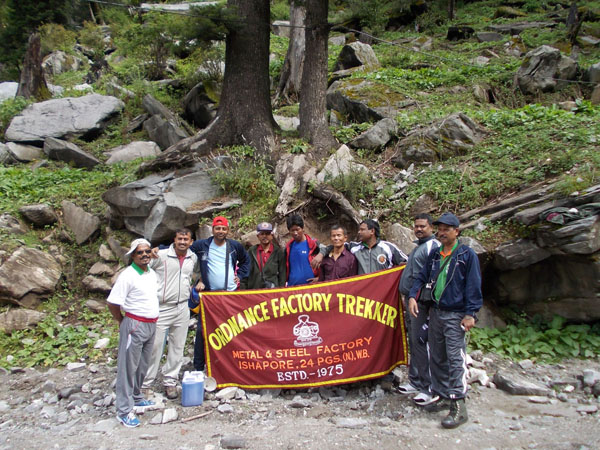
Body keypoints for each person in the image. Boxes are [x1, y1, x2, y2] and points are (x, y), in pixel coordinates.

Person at [408, 212, 482, 429]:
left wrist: (471, 313)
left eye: (446, 229)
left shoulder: (466, 255)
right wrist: (413, 296)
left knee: (455, 358)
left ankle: (458, 405)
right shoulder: (435, 254)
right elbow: (421, 277)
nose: (441, 233)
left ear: (456, 231)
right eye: (439, 229)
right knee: (437, 356)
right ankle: (441, 395)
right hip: (436, 312)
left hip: (455, 314)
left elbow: (473, 285)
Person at [107, 238, 158, 428]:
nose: (144, 255)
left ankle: (136, 396)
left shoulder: (150, 272)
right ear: (133, 255)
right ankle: (123, 410)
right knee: (128, 367)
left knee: (142, 364)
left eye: (147, 251)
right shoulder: (128, 275)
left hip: (151, 324)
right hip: (135, 323)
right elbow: (113, 302)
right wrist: (122, 321)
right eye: (140, 252)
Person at [141, 228, 198, 400]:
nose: (182, 242)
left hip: (183, 307)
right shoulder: (161, 255)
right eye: (180, 239)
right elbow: (143, 268)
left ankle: (170, 381)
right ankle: (145, 384)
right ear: (174, 240)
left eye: (186, 239)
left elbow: (192, 275)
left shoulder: (192, 257)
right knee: (155, 346)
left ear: (191, 242)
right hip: (162, 307)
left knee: (177, 346)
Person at [190, 216, 249, 371]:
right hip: (209, 296)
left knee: (232, 329)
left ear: (228, 230)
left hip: (230, 295)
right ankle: (198, 367)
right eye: (218, 228)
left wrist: (240, 275)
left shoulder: (234, 246)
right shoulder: (202, 245)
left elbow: (245, 261)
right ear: (213, 230)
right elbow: (184, 251)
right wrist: (198, 279)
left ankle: (230, 364)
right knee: (202, 330)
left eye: (223, 229)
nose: (220, 231)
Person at [398, 214, 440, 405]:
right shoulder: (419, 247)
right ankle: (415, 380)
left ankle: (429, 387)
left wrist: (428, 303)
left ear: (431, 227)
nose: (419, 229)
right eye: (416, 226)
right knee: (414, 341)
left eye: (423, 226)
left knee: (424, 342)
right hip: (412, 300)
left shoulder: (433, 246)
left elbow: (432, 277)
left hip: (422, 302)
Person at [240, 222, 286, 289]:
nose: (264, 236)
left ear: (272, 236)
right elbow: (246, 271)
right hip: (255, 289)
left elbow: (282, 274)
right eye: (262, 234)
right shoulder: (251, 251)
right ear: (258, 236)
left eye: (267, 233)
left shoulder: (278, 252)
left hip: (272, 290)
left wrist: (280, 290)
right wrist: (243, 289)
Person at [285, 215, 320, 286]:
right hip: (292, 287)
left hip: (312, 287)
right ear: (289, 231)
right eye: (292, 230)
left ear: (303, 228)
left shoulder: (314, 244)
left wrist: (319, 278)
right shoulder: (288, 247)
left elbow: (327, 263)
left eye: (297, 229)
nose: (295, 233)